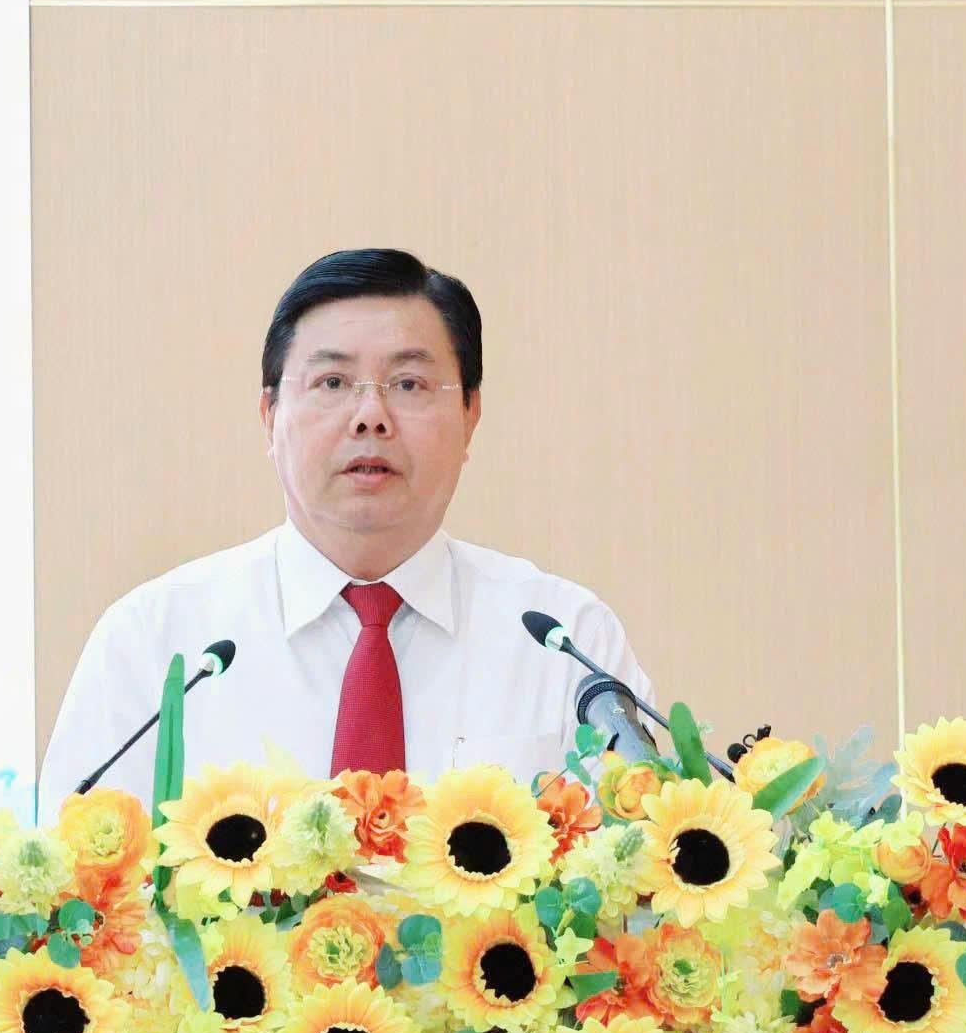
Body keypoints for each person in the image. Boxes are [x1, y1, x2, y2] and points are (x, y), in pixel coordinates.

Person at [37, 249, 654, 816]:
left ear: (470, 415)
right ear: (270, 416)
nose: (370, 417)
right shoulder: (155, 643)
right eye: (332, 383)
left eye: (409, 384)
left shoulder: (566, 641)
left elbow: (647, 870)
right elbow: (79, 880)